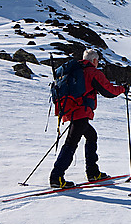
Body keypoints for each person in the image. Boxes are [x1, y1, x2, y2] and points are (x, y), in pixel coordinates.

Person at [50, 48, 127, 188]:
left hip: (72, 110)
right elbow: (108, 91)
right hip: (81, 112)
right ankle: (56, 177)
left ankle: (92, 172)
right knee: (71, 143)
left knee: (91, 136)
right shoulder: (92, 72)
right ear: (95, 60)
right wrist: (122, 89)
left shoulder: (76, 70)